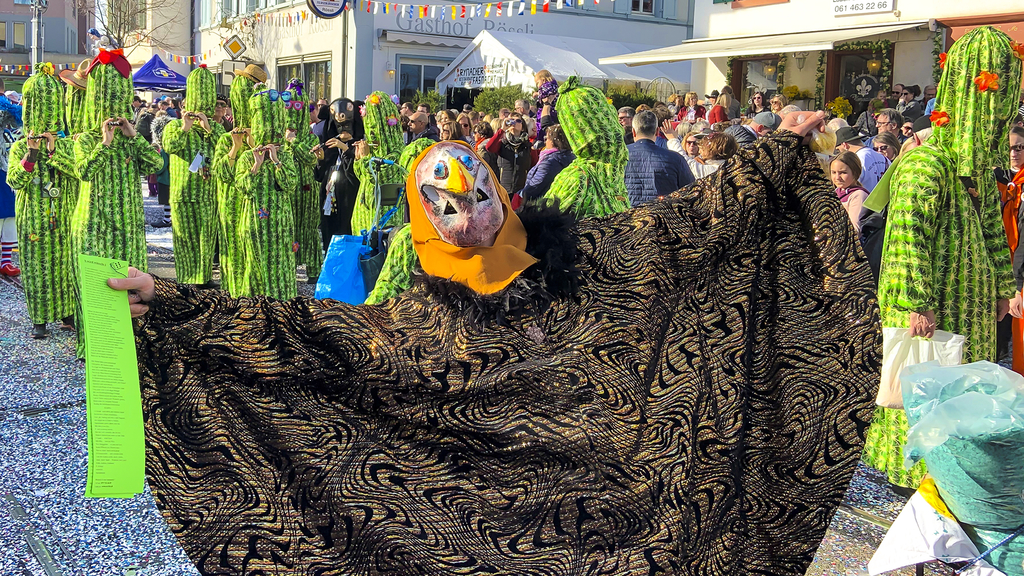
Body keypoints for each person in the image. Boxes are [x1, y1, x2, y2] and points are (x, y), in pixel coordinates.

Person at [111, 109, 879, 576]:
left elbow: (686, 228)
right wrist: (178, 307)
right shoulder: (420, 322)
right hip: (509, 531)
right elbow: (318, 337)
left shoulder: (594, 254)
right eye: (444, 205)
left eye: (478, 193)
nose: (468, 215)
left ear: (499, 187)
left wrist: (773, 154)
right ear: (420, 220)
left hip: (630, 505)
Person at [863, 26, 1022, 491]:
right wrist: (916, 300)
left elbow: (994, 231)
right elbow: (907, 235)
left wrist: (1000, 286)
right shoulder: (925, 162)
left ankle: (954, 475)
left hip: (970, 317)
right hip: (933, 316)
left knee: (961, 399)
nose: (999, 122)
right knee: (923, 393)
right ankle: (915, 474)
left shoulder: (973, 172)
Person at [71, 48, 164, 358]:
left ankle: (128, 343)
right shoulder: (85, 138)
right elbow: (84, 171)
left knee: (128, 282)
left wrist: (132, 134)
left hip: (127, 226)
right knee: (96, 285)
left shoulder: (130, 137)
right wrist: (105, 144)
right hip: (94, 224)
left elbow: (156, 164)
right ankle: (93, 346)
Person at [5, 63, 76, 337]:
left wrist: (54, 148)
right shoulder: (20, 146)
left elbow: (76, 172)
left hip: (63, 215)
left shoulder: (66, 144)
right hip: (33, 217)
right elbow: (14, 180)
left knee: (64, 265)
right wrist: (32, 155)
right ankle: (39, 318)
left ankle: (68, 312)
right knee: (36, 269)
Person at [162, 65, 226, 288]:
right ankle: (186, 278)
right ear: (184, 105)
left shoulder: (216, 129)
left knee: (206, 239)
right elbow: (170, 146)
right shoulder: (174, 127)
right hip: (184, 193)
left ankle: (203, 277)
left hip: (208, 194)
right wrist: (186, 127)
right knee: (185, 238)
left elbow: (224, 150)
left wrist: (208, 128)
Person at [211, 68, 259, 297]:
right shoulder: (225, 138)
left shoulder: (262, 140)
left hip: (253, 207)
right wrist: (236, 147)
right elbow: (221, 173)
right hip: (231, 205)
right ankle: (232, 295)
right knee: (232, 251)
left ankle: (252, 297)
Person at [283, 79, 324, 285]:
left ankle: (314, 269)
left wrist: (293, 141)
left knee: (308, 229)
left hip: (307, 189)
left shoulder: (311, 137)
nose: (291, 111)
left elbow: (309, 158)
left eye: (297, 107)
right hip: (288, 188)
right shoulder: (278, 135)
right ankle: (289, 267)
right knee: (289, 227)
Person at [314, 98, 362, 251]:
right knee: (330, 238)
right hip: (329, 202)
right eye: (340, 126)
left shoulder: (359, 146)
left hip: (349, 201)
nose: (344, 130)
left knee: (347, 235)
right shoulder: (331, 146)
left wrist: (346, 149)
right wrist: (321, 160)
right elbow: (319, 176)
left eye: (347, 126)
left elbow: (355, 176)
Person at [624, 110, 694, 207]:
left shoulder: (620, 157)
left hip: (627, 217)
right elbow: (691, 192)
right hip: (663, 217)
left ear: (633, 132)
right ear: (657, 131)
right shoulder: (675, 158)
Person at [1001, 125, 1024, 372]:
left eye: (1019, 147)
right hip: (1006, 259)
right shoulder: (1006, 181)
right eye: (1010, 148)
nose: (1014, 153)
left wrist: (1018, 285)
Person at [519, 123, 574, 203]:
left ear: (553, 142)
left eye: (547, 139)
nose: (545, 142)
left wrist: (519, 195)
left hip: (541, 203)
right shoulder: (571, 157)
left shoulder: (549, 163)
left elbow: (535, 186)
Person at [484, 112, 534, 195]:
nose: (514, 122)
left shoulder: (527, 146)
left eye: (518, 121)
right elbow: (489, 148)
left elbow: (534, 166)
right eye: (511, 120)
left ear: (523, 128)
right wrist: (502, 129)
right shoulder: (503, 143)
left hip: (521, 192)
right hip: (503, 190)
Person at [834, 127, 888, 192]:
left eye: (838, 149)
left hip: (864, 200)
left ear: (845, 145)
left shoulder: (856, 160)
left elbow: (850, 188)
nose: (839, 153)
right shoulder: (883, 157)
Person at [830, 152, 869, 234]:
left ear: (855, 173)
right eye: (833, 172)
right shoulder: (836, 192)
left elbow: (855, 229)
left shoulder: (858, 195)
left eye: (843, 172)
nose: (837, 177)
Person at [150, 115, 173, 229]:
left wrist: (156, 171)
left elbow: (162, 165)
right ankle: (170, 218)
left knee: (166, 201)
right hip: (173, 178)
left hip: (165, 179)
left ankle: (166, 219)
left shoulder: (164, 150)